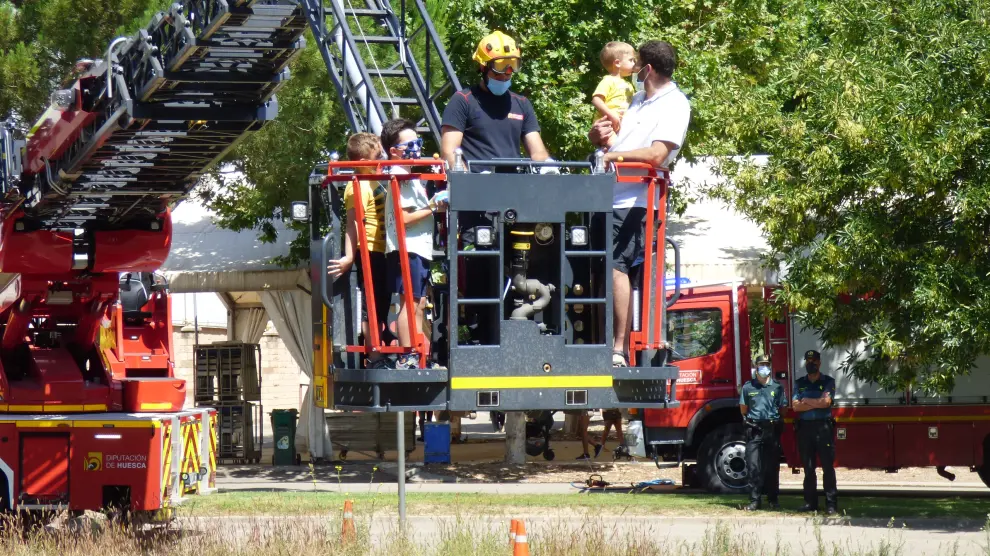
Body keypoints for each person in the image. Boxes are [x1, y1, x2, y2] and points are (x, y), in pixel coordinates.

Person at [587, 40, 690, 368]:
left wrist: (613, 155)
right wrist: (599, 137)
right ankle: (604, 343)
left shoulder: (675, 104)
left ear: (648, 69)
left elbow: (658, 154)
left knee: (618, 266)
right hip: (611, 196)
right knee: (602, 268)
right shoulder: (638, 100)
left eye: (636, 63)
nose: (630, 68)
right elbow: (623, 142)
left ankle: (619, 348)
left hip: (639, 200)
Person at [380, 118, 448, 369]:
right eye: (408, 144)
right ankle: (408, 354)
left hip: (417, 246)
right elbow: (403, 218)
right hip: (406, 246)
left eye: (416, 142)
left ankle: (415, 353)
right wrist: (433, 206)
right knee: (410, 301)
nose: (415, 148)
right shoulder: (399, 174)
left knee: (418, 301)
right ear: (393, 151)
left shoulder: (409, 175)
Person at [440, 30, 550, 173]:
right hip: (477, 186)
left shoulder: (521, 103)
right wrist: (468, 182)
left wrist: (547, 167)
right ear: (483, 67)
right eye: (500, 66)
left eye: (512, 65)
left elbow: (538, 153)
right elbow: (450, 152)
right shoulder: (462, 101)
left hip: (515, 187)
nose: (505, 73)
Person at [327, 132, 392, 366]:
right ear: (364, 163)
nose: (382, 159)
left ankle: (381, 343)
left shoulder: (372, 181)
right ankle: (374, 355)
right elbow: (353, 222)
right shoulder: (357, 186)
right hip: (370, 250)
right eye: (378, 156)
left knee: (382, 300)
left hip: (382, 249)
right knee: (371, 302)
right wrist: (349, 256)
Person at [793, 349, 838, 514]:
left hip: (823, 427)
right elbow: (796, 406)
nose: (811, 364)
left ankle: (831, 504)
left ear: (819, 363)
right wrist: (815, 403)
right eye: (808, 361)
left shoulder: (828, 381)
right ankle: (810, 503)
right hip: (805, 428)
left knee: (827, 467)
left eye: (814, 361)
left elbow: (826, 402)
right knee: (808, 468)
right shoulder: (800, 383)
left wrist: (806, 401)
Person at [739, 355, 787, 511]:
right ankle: (754, 500)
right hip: (754, 430)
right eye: (761, 364)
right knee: (753, 466)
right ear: (756, 366)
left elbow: (783, 408)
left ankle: (773, 499)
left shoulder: (777, 387)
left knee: (772, 467)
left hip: (771, 430)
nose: (764, 367)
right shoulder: (748, 387)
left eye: (766, 364)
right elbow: (743, 409)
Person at [591, 41, 637, 133]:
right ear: (617, 63)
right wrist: (610, 114)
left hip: (620, 127)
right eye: (631, 60)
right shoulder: (608, 80)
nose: (634, 64)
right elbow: (596, 100)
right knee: (613, 145)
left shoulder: (629, 85)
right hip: (605, 124)